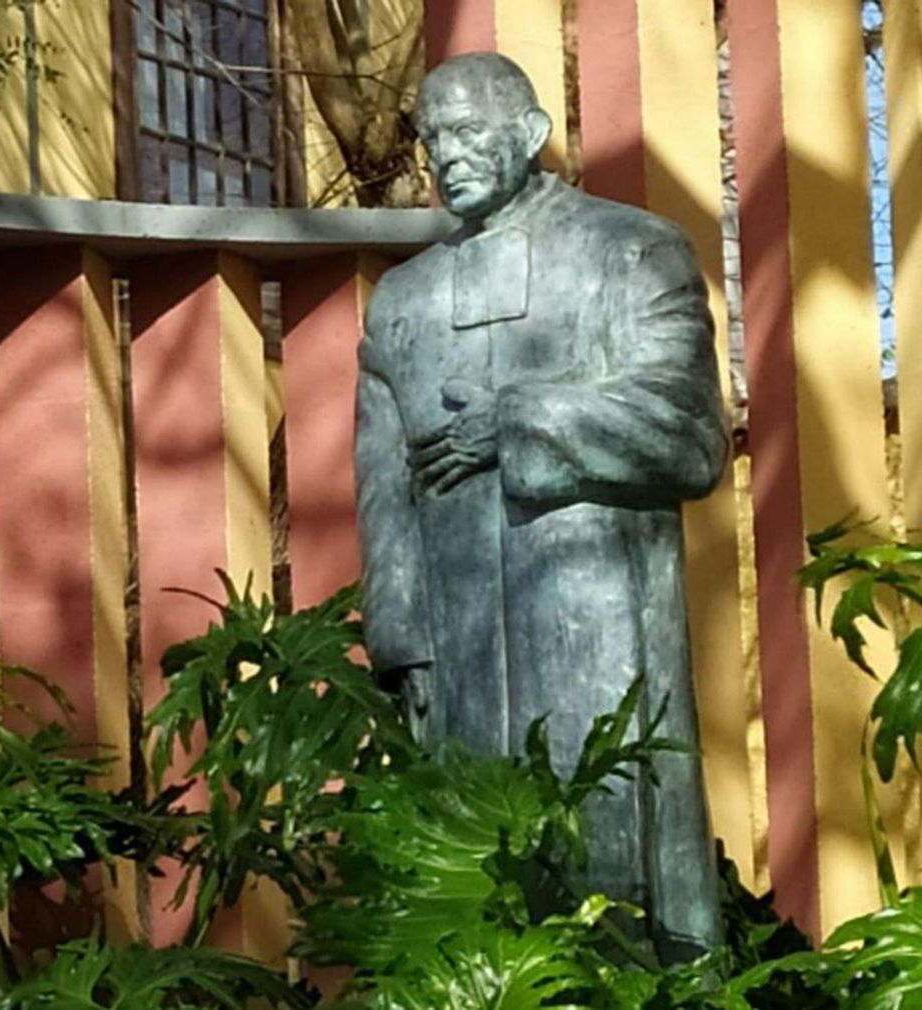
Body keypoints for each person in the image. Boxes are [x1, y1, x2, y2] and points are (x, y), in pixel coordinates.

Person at [354, 51, 727, 955]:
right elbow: (383, 486)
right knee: (481, 907)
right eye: (433, 137)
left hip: (604, 632)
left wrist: (517, 423)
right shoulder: (401, 301)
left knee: (621, 893)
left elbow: (689, 430)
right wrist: (404, 649)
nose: (447, 155)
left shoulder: (630, 250)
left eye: (469, 131)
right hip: (457, 644)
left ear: (529, 135)